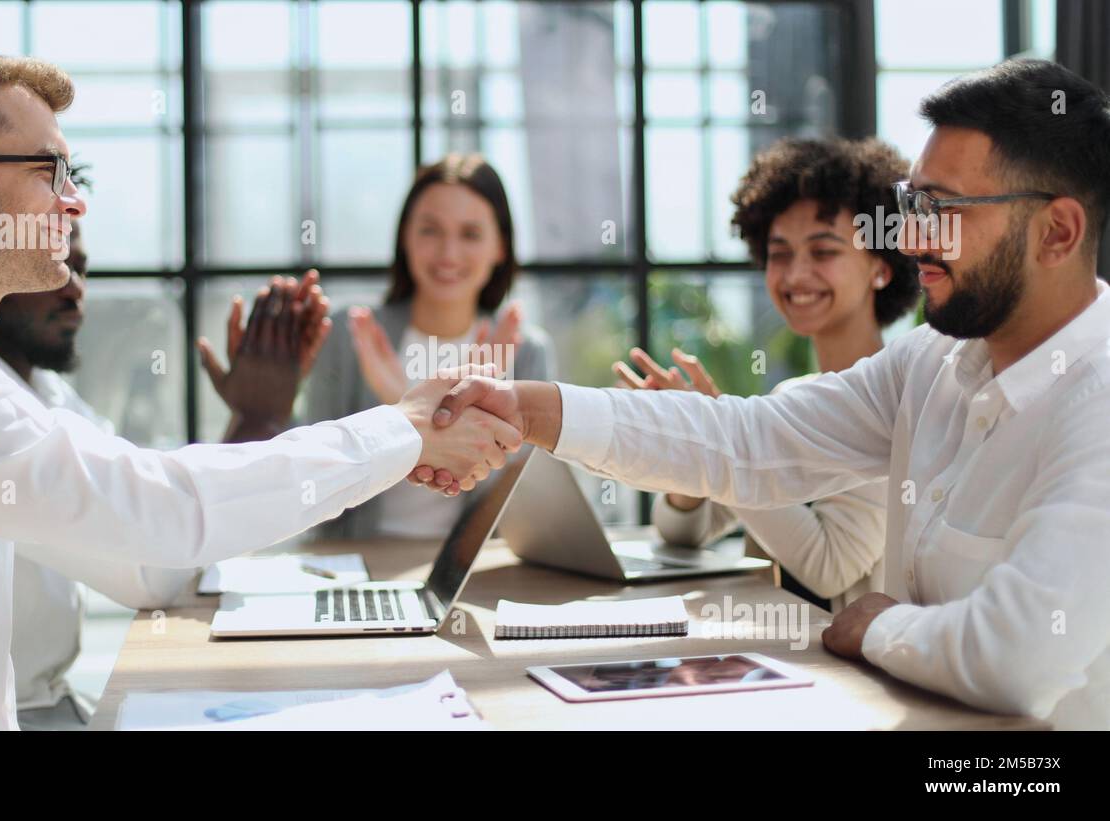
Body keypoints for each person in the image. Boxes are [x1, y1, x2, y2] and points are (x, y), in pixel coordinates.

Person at [0, 48, 516, 729]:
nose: (75, 201)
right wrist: (406, 426)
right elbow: (161, 510)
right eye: (49, 171)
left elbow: (146, 559)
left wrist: (291, 418)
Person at [421, 59, 1110, 729]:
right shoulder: (931, 362)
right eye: (912, 203)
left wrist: (881, 625)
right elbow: (751, 441)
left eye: (943, 209)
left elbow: (1018, 657)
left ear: (1057, 232)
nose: (909, 235)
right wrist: (529, 407)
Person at [0, 219, 332, 729]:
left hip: (47, 704)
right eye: (55, 268)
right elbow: (155, 564)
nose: (76, 291)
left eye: (79, 269)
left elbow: (155, 508)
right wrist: (258, 419)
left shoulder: (47, 389)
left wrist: (257, 418)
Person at [614, 137, 919, 611]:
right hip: (769, 656)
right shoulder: (793, 395)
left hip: (843, 673)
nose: (795, 275)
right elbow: (680, 534)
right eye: (779, 253)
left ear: (881, 268)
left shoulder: (894, 404)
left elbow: (828, 565)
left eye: (823, 252)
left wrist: (716, 435)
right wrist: (697, 449)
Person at [297, 153, 554, 539]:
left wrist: (415, 406)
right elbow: (313, 472)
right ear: (406, 236)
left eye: (470, 234)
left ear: (500, 247)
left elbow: (521, 505)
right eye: (430, 230)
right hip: (357, 560)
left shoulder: (525, 350)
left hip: (466, 571)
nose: (448, 253)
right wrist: (403, 413)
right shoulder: (352, 334)